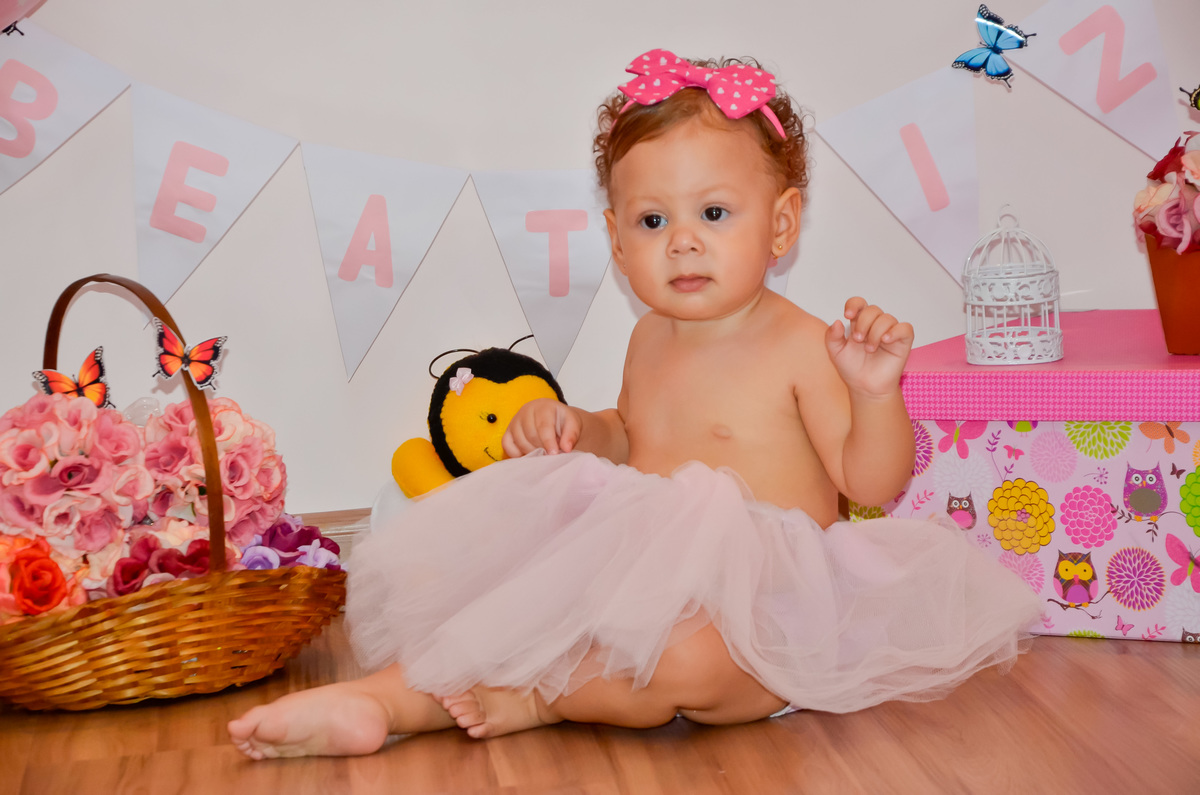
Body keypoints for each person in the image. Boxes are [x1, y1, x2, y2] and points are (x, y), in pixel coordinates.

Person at [228, 50, 1041, 759]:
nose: (682, 240)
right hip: (643, 570)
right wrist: (581, 428)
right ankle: (382, 702)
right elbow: (631, 435)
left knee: (683, 665)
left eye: (713, 213)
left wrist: (872, 395)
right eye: (654, 220)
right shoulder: (650, 336)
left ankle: (538, 700)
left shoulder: (803, 343)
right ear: (618, 241)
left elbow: (870, 482)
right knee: (517, 606)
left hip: (769, 608)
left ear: (782, 222)